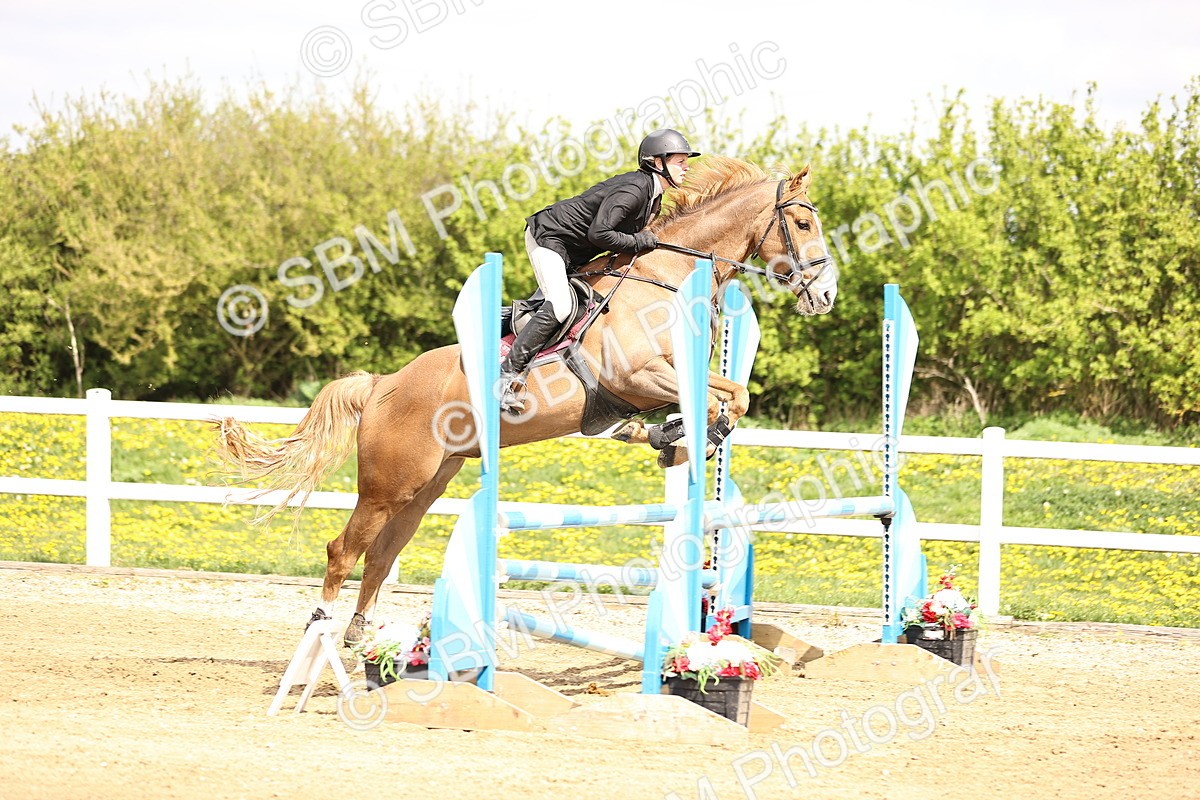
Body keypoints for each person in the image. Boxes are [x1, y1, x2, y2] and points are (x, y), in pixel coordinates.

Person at [499, 128, 701, 413]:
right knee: (559, 306)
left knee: (574, 305)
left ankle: (503, 321)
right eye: (680, 161)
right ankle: (506, 376)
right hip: (550, 238)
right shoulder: (634, 189)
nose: (686, 167)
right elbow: (600, 233)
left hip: (576, 250)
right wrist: (637, 241)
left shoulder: (654, 197)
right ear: (658, 162)